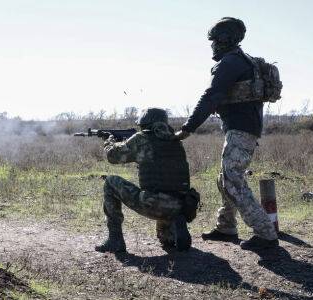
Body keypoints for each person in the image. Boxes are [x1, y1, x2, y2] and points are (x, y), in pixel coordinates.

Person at [175, 17, 278, 250]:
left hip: (242, 130)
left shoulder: (231, 62)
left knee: (232, 178)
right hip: (239, 128)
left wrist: (188, 128)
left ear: (226, 39)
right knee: (225, 178)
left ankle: (266, 234)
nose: (212, 45)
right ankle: (226, 227)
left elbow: (212, 96)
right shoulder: (241, 61)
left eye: (215, 40)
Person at [95, 108, 198, 253]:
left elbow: (113, 156)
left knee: (110, 182)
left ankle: (115, 240)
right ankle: (174, 225)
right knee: (165, 240)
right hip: (183, 205)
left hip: (155, 204)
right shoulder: (176, 141)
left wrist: (109, 142)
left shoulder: (141, 138)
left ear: (145, 123)